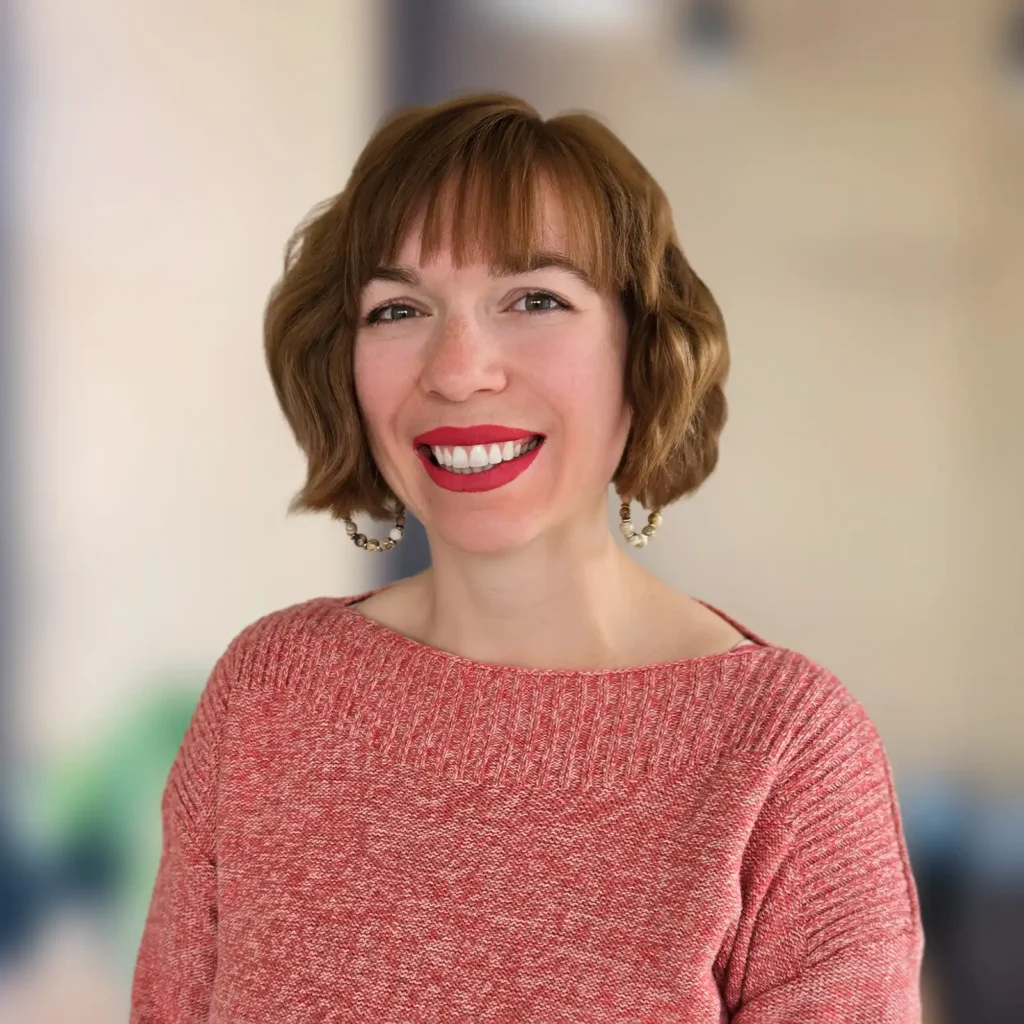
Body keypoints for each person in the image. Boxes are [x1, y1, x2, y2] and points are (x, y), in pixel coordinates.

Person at [131, 93, 924, 1022]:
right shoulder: (268, 693)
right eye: (397, 309)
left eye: (536, 298)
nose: (458, 368)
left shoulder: (785, 750)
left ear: (646, 352)